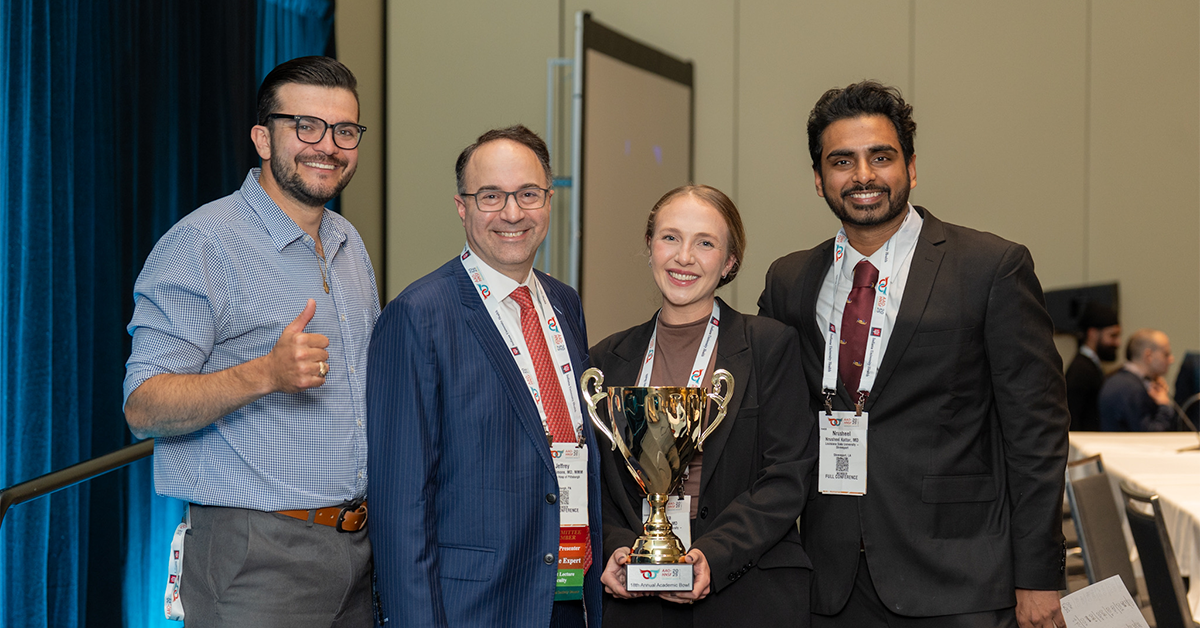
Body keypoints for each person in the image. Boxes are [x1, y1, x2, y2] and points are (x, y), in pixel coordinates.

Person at [757, 81, 1070, 628]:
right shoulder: (790, 281)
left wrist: (1039, 575)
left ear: (912, 167)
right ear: (819, 178)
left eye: (881, 157)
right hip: (831, 583)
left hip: (961, 580)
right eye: (841, 161)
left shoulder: (990, 268)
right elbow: (770, 420)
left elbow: (1036, 435)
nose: (863, 176)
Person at [123, 56, 378, 626]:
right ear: (263, 138)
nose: (327, 145)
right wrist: (265, 373)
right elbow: (143, 407)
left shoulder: (348, 242)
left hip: (359, 553)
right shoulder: (202, 244)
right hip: (255, 556)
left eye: (344, 131)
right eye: (306, 126)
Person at [366, 125, 602, 627]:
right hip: (475, 608)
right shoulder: (417, 316)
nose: (512, 213)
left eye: (528, 194)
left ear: (549, 201)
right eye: (491, 196)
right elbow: (400, 504)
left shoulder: (565, 303)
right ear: (462, 207)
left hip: (568, 595)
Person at [592, 185, 816, 627]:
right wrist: (617, 547)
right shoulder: (606, 360)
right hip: (637, 600)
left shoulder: (769, 346)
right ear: (650, 247)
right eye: (670, 237)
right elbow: (594, 485)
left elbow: (787, 475)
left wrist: (712, 555)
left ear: (730, 261)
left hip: (748, 595)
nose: (684, 257)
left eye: (705, 243)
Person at [1099, 329, 1176, 432]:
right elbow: (1149, 435)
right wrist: (1164, 406)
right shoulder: (1132, 388)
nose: (1171, 359)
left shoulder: (1117, 378)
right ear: (1148, 356)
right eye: (1166, 354)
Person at [1066, 302, 1121, 431]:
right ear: (1093, 333)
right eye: (1113, 336)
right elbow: (1072, 418)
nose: (1118, 343)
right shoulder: (1081, 370)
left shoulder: (1090, 366)